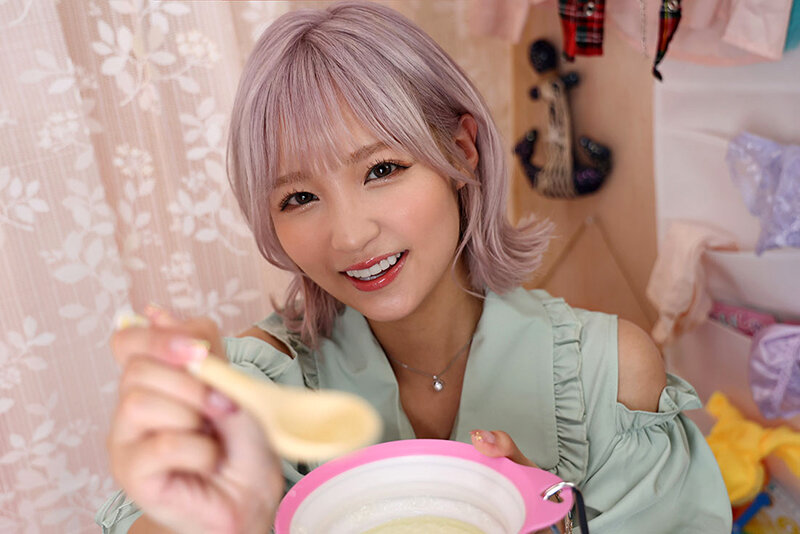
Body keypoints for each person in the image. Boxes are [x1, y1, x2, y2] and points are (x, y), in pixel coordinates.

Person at [96, 2, 732, 533]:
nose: (350, 235)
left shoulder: (608, 378)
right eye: (299, 198)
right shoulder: (253, 395)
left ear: (460, 152)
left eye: (382, 169)